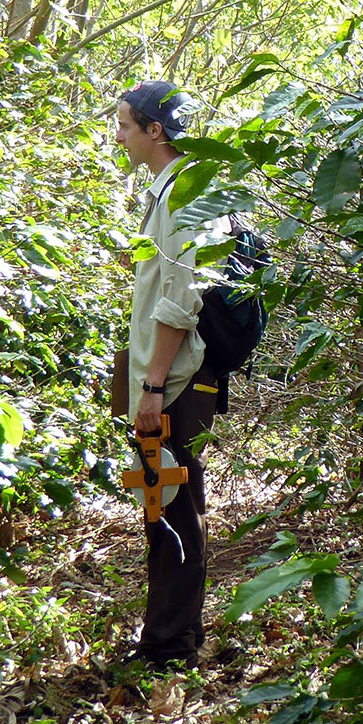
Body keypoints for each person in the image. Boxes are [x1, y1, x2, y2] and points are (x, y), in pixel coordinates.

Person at [115, 80, 218, 670]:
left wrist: (152, 387)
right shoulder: (179, 189)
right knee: (171, 502)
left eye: (126, 124)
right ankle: (170, 637)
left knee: (171, 502)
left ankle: (169, 648)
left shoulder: (183, 195)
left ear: (156, 130)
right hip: (175, 374)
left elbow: (181, 298)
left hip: (176, 379)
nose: (119, 135)